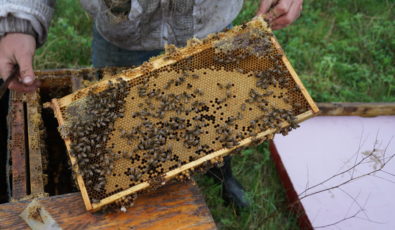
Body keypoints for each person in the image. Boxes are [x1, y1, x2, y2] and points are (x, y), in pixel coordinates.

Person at [0, 0, 303, 208]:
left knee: (217, 118)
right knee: (120, 138)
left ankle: (222, 174)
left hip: (212, 22)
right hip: (124, 33)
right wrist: (19, 19)